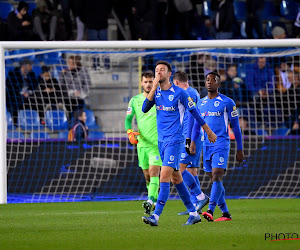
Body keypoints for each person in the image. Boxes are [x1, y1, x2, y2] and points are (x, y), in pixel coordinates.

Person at [142, 60, 217, 226]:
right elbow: (144, 108)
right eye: (156, 70)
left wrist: (209, 131)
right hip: (161, 142)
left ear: (169, 74)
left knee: (165, 176)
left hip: (175, 141)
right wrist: (153, 87)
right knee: (177, 178)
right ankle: (193, 212)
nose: (158, 72)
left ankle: (155, 216)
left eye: (162, 70)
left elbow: (195, 113)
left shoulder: (180, 93)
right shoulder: (157, 93)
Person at [189, 72, 244, 222]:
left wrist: (240, 149)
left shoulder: (227, 102)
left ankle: (210, 210)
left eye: (213, 80)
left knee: (217, 175)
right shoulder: (201, 103)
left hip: (221, 143)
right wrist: (193, 141)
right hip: (206, 145)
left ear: (219, 84)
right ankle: (226, 214)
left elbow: (236, 128)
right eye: (207, 80)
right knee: (215, 181)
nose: (209, 82)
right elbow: (196, 124)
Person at [125, 71, 162, 215]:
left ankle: (150, 200)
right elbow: (128, 119)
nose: (148, 84)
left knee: (154, 173)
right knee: (147, 176)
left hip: (157, 145)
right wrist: (129, 132)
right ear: (141, 83)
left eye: (150, 81)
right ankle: (153, 198)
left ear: (155, 82)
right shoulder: (135, 100)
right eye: (145, 82)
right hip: (142, 144)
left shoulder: (160, 98)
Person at [172, 71, 209, 216]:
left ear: (175, 82)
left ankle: (200, 197)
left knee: (179, 169)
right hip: (194, 136)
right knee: (192, 170)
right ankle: (195, 207)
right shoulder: (192, 92)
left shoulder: (188, 93)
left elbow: (193, 118)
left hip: (191, 137)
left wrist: (189, 139)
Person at [6, 58, 39, 124]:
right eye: (30, 65)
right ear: (24, 66)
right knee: (18, 102)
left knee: (37, 100)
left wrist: (29, 92)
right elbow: (10, 87)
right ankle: (15, 122)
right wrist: (21, 93)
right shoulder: (13, 74)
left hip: (28, 95)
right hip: (16, 95)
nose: (31, 67)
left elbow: (35, 85)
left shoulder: (31, 74)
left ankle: (36, 121)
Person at [59, 55, 91, 119]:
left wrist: (80, 92)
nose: (69, 64)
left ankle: (77, 119)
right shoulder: (65, 72)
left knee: (78, 103)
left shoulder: (83, 71)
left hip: (79, 95)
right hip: (69, 95)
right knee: (67, 101)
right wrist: (61, 74)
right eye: (68, 62)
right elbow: (61, 85)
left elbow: (87, 84)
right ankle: (70, 118)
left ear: (76, 63)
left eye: (71, 63)